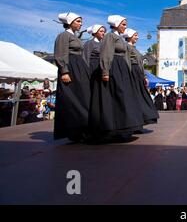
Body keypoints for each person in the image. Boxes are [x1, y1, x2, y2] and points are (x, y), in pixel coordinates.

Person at [89, 15, 143, 142]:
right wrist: (105, 71)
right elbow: (106, 54)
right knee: (116, 96)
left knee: (123, 97)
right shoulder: (110, 36)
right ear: (117, 24)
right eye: (123, 24)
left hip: (121, 68)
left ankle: (123, 127)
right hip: (114, 68)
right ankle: (112, 129)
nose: (125, 27)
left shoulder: (119, 38)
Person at [53, 12, 91, 141]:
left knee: (82, 97)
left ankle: (82, 129)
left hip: (79, 68)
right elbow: (60, 54)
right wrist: (64, 71)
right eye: (78, 21)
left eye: (81, 21)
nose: (81, 24)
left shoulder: (75, 37)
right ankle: (74, 132)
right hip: (71, 68)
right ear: (70, 22)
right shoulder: (63, 36)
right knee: (72, 99)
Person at [124, 28, 159, 128]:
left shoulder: (134, 48)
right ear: (129, 36)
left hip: (138, 73)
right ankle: (135, 123)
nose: (137, 37)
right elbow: (126, 62)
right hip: (132, 73)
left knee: (141, 97)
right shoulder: (126, 47)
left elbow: (140, 64)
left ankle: (141, 121)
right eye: (135, 35)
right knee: (135, 97)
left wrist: (144, 76)